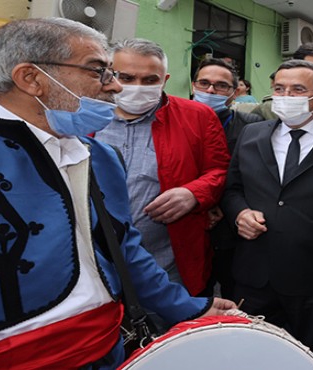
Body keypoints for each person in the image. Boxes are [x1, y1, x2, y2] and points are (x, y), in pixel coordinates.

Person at [0, 18, 235, 369]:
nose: (114, 87)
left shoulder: (98, 156)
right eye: (98, 71)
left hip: (104, 350)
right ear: (31, 78)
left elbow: (123, 248)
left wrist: (190, 305)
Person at [221, 59, 313, 369]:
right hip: (255, 276)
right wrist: (239, 214)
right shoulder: (253, 134)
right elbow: (232, 189)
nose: (286, 96)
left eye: (297, 90)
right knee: (255, 358)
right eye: (280, 89)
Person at [95, 39, 230, 298]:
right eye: (127, 77)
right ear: (109, 74)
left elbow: (220, 171)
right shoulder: (85, 115)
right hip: (95, 261)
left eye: (149, 80)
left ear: (165, 79)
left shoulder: (198, 117)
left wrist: (194, 194)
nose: (137, 87)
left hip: (168, 264)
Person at [190, 57, 263, 299]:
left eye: (221, 86)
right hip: (186, 228)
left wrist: (224, 206)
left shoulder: (252, 127)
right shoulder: (173, 120)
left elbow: (254, 176)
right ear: (193, 85)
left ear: (234, 93)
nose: (211, 90)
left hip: (233, 233)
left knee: (235, 301)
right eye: (204, 83)